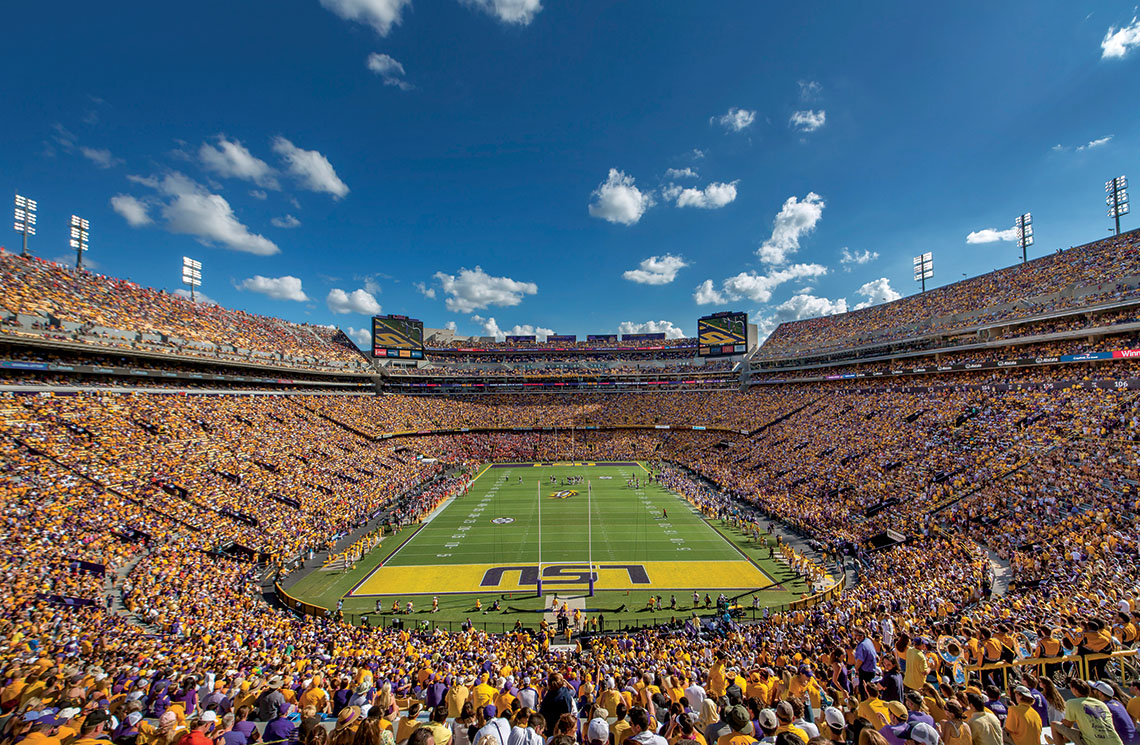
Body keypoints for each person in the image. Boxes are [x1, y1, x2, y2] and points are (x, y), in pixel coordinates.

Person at [1050, 680, 1123, 745]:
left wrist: (1064, 722)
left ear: (1074, 690)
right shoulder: (1101, 704)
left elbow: (1067, 725)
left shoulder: (1072, 703)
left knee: (1054, 725)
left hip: (1093, 742)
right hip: (1116, 741)